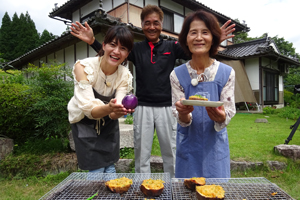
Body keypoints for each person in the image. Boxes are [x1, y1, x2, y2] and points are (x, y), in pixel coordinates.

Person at [70, 5, 236, 178]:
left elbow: (195, 49)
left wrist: (214, 41)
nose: (151, 26)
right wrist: (92, 42)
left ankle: (173, 187)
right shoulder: (136, 48)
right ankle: (144, 187)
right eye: (147, 23)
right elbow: (115, 53)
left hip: (167, 108)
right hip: (143, 107)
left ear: (161, 24)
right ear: (141, 24)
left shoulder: (172, 46)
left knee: (170, 154)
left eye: (156, 22)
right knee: (142, 154)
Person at [170, 10, 236, 178]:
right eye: (193, 33)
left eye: (205, 32)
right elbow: (181, 119)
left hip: (215, 147)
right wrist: (183, 113)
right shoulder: (177, 75)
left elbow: (228, 111)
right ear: (186, 39)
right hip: (188, 146)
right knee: (186, 192)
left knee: (216, 192)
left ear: (213, 37)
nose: (199, 37)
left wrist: (221, 117)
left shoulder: (227, 72)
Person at [67, 25, 134, 173]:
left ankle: (113, 195)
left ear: (127, 54)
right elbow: (90, 110)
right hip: (84, 121)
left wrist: (120, 110)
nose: (116, 51)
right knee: (95, 169)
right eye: (113, 45)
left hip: (108, 124)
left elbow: (113, 113)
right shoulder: (84, 67)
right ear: (103, 45)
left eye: (123, 48)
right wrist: (111, 107)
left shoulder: (125, 75)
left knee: (110, 165)